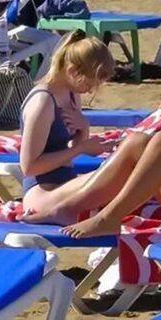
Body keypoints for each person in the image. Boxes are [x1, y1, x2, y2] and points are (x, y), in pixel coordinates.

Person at [19, 32, 119, 217]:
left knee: (128, 176)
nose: (90, 91)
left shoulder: (71, 94)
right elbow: (29, 166)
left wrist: (83, 128)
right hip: (42, 194)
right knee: (117, 172)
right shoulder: (43, 102)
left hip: (64, 184)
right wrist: (81, 148)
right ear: (73, 72)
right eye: (89, 84)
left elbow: (68, 150)